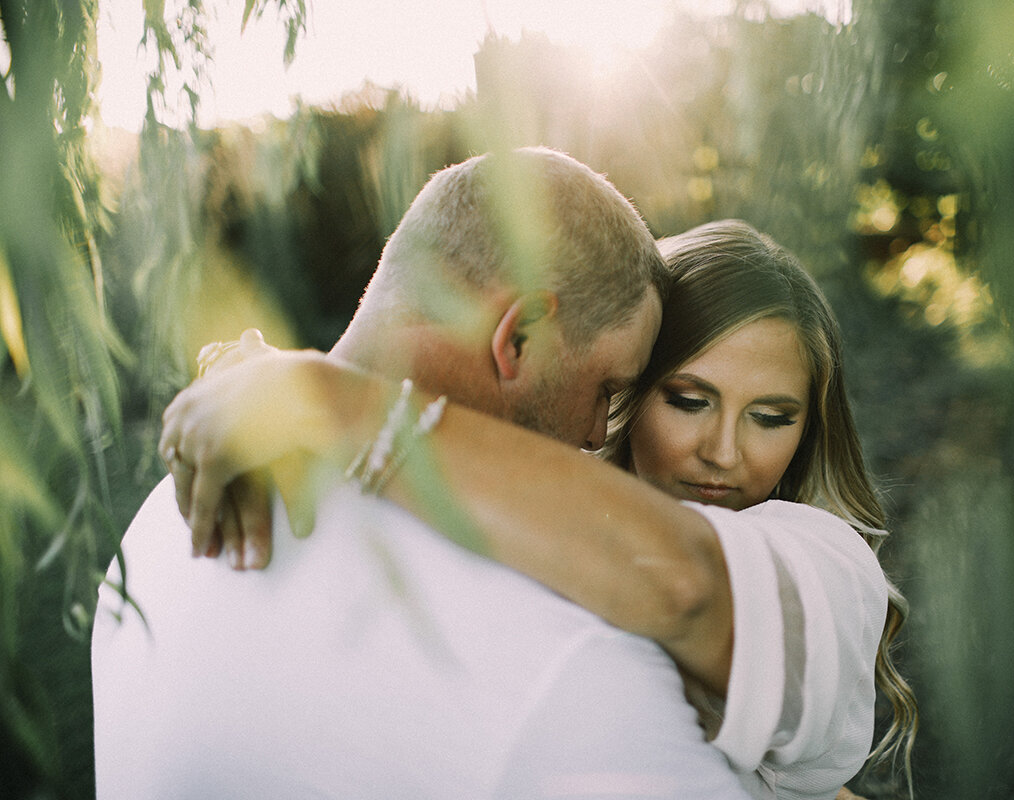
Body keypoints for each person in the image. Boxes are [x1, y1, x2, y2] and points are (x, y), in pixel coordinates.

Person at [160, 220, 918, 799]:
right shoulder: (526, 498)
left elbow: (685, 583)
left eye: (771, 417)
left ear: (810, 428)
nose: (724, 451)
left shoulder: (821, 562)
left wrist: (335, 401)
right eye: (689, 400)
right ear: (622, 388)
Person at [92, 147, 757, 799]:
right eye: (607, 387)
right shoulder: (560, 653)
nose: (593, 433)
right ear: (519, 335)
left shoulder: (158, 526)